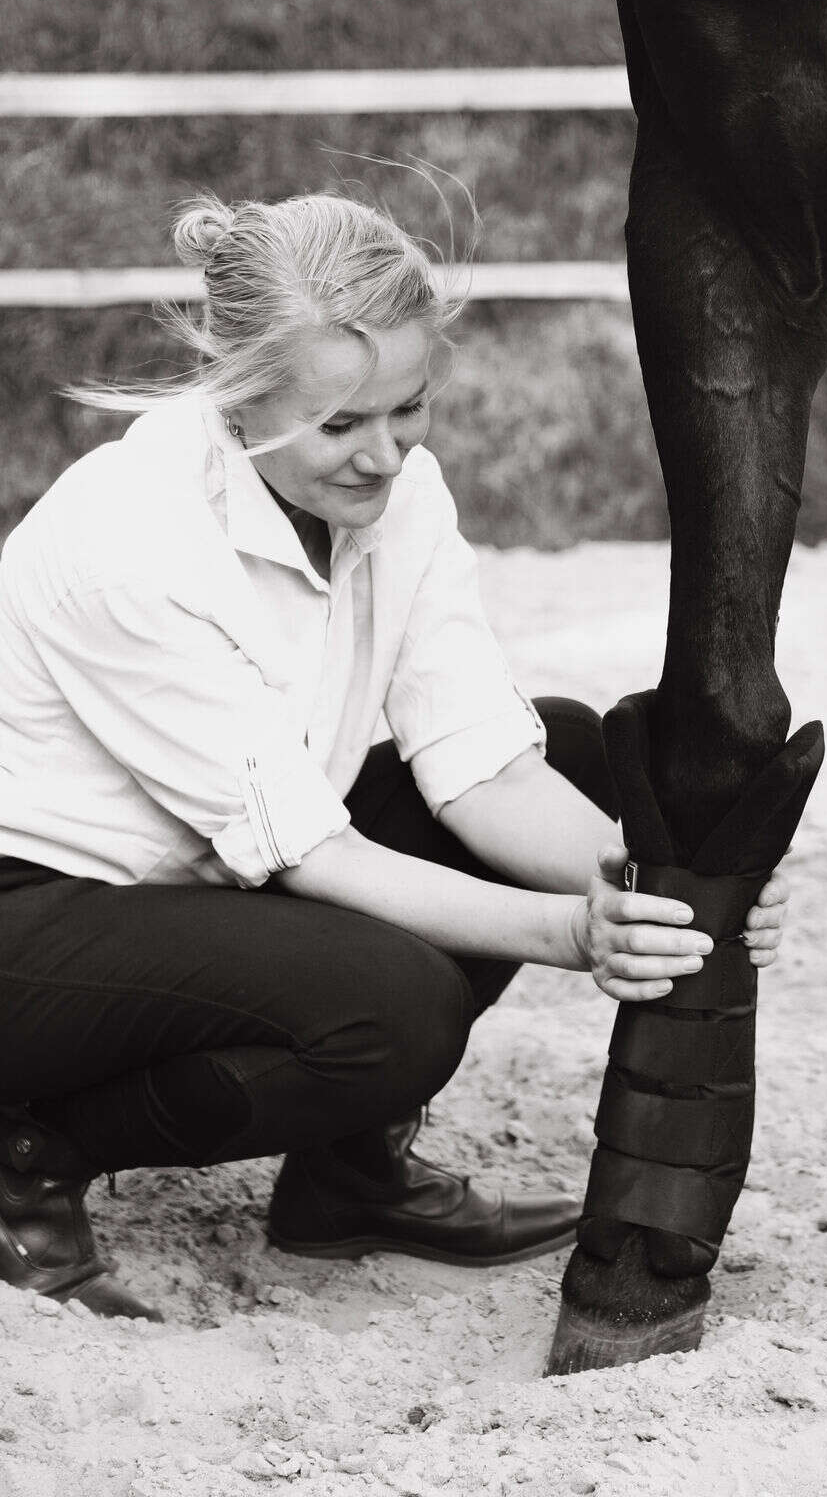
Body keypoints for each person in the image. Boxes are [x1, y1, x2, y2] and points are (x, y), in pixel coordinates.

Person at [0, 192, 786, 1321]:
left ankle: (348, 1179)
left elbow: (483, 763)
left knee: (569, 743)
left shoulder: (400, 493)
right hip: (35, 920)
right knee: (395, 1008)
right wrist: (579, 932)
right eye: (339, 425)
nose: (383, 455)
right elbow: (314, 854)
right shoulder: (126, 539)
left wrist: (668, 890)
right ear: (235, 387)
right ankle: (32, 1151)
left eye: (409, 406)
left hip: (213, 877)